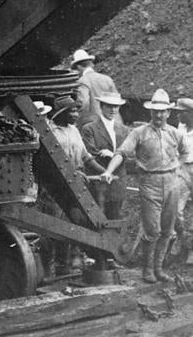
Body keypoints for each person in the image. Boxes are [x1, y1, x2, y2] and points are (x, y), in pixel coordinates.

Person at [102, 89, 189, 282]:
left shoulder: (175, 133)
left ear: (168, 112)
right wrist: (109, 171)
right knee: (152, 230)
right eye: (155, 111)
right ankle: (148, 269)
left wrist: (177, 168)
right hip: (149, 184)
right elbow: (121, 153)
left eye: (163, 111)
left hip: (172, 183)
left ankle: (159, 269)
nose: (159, 115)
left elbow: (184, 153)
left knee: (167, 230)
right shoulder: (139, 133)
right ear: (150, 112)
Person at [41, 95, 105, 275]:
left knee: (75, 223)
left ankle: (64, 265)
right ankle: (47, 269)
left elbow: (86, 157)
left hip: (76, 185)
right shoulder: (49, 133)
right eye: (72, 111)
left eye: (77, 110)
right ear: (61, 113)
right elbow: (48, 162)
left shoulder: (74, 131)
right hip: (54, 187)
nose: (77, 114)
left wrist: (104, 172)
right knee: (51, 226)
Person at [81, 91, 129, 219]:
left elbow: (128, 153)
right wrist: (106, 156)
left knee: (114, 216)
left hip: (118, 180)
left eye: (116, 106)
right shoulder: (89, 128)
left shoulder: (123, 130)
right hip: (98, 181)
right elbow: (90, 152)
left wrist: (113, 155)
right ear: (102, 106)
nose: (113, 109)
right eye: (109, 106)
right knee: (96, 217)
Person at [71, 49, 120, 128]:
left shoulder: (82, 81)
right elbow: (117, 100)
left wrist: (77, 123)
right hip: (113, 122)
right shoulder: (107, 79)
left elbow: (84, 103)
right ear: (91, 65)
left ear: (78, 67)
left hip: (95, 124)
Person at [174, 98, 193, 248]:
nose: (177, 116)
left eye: (181, 113)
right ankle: (182, 238)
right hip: (182, 168)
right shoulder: (180, 127)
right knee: (175, 208)